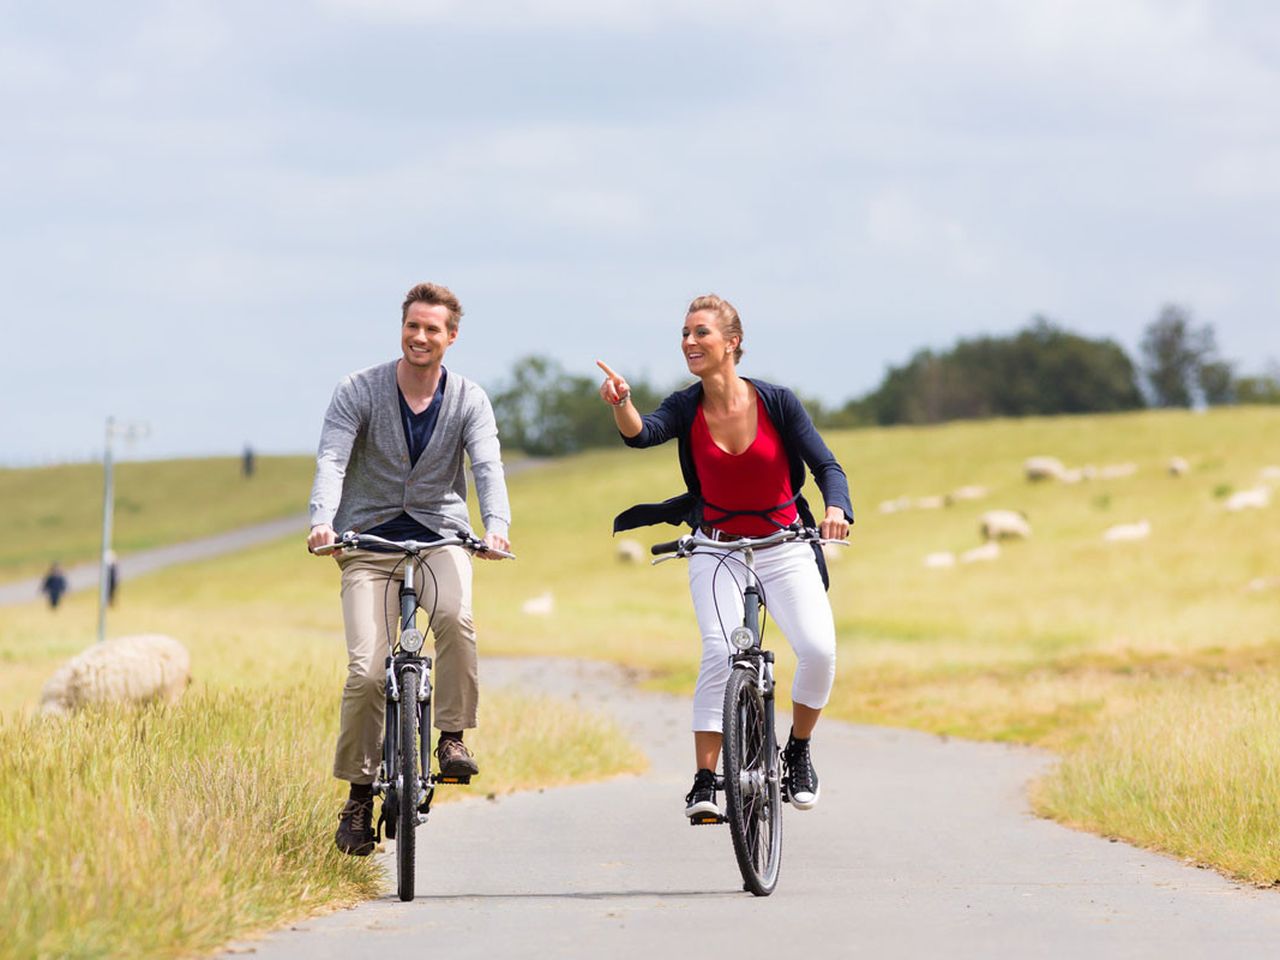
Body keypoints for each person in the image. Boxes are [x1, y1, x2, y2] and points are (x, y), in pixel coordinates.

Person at [598, 293, 852, 818]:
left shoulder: (777, 401)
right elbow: (642, 434)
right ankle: (705, 780)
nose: (689, 342)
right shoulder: (685, 405)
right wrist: (622, 402)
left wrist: (836, 509)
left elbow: (828, 466)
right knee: (719, 652)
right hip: (716, 548)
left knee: (820, 651)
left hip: (785, 546)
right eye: (685, 334)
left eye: (701, 333)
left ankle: (798, 750)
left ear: (732, 343)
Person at [307, 281, 512, 856]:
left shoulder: (469, 399)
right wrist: (324, 520)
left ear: (451, 337)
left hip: (440, 537)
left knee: (456, 619)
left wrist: (495, 525)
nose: (420, 337)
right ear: (403, 329)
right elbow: (331, 458)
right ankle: (357, 795)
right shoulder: (359, 390)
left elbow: (488, 466)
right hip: (367, 543)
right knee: (366, 672)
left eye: (432, 329)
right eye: (412, 326)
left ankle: (450, 738)